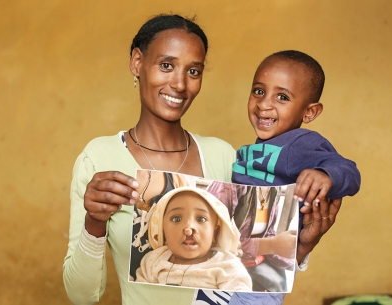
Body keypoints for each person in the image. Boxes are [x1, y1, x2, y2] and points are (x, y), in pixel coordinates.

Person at [63, 14, 343, 305]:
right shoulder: (99, 159)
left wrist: (299, 248)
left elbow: (248, 270)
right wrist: (94, 223)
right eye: (166, 65)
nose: (180, 84)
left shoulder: (224, 157)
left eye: (194, 71)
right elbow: (82, 296)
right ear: (137, 62)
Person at [227, 50, 362, 304]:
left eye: (282, 97)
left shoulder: (300, 144)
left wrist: (325, 174)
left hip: (262, 272)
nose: (264, 104)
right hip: (232, 259)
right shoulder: (249, 151)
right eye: (258, 91)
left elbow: (349, 171)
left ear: (309, 112)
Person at [135, 186, 252, 291]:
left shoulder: (227, 266)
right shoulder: (154, 260)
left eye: (201, 219)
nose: (188, 228)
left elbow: (240, 298)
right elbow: (139, 294)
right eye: (176, 219)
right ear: (163, 232)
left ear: (214, 234)